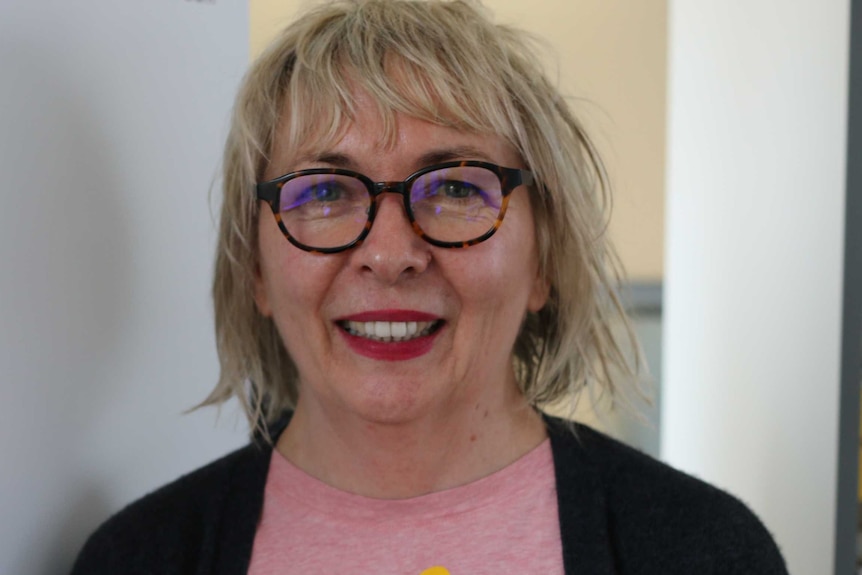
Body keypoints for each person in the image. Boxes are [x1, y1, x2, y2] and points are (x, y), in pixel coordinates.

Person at [71, 1, 788, 573]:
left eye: (452, 185)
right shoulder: (138, 557)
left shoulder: (705, 550)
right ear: (255, 269)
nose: (389, 253)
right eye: (324, 190)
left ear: (543, 258)